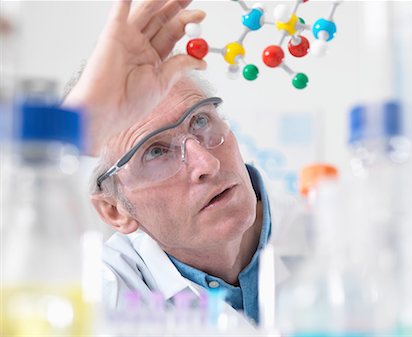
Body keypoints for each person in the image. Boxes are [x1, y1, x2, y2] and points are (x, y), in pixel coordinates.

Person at [64, 0, 308, 326]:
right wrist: (80, 127)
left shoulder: (332, 237)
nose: (206, 163)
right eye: (156, 152)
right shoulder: (101, 291)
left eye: (201, 122)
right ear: (114, 211)